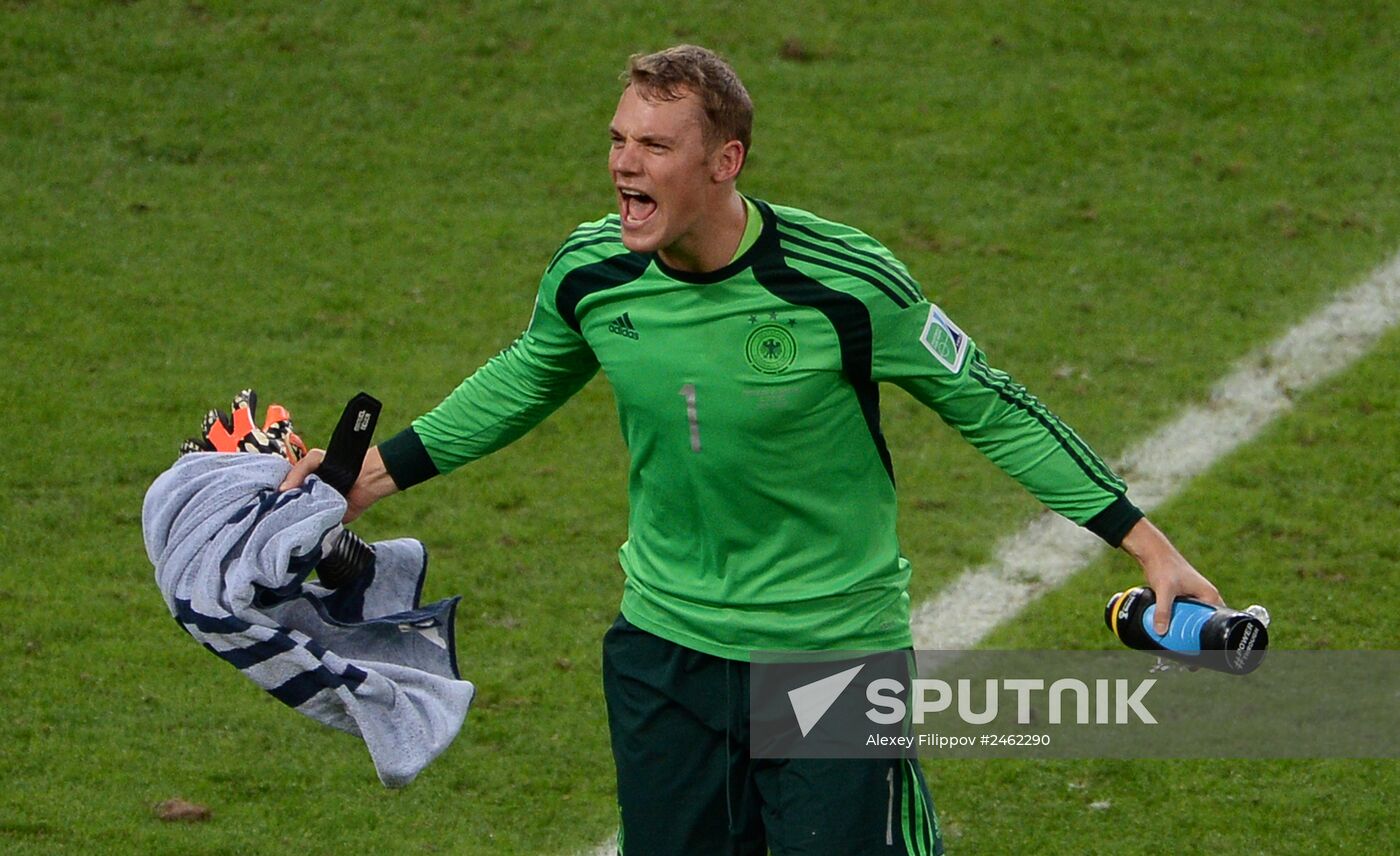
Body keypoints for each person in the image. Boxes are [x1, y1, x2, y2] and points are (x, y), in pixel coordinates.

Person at [282, 44, 1221, 855]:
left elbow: (996, 407)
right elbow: (529, 374)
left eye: (654, 145)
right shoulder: (593, 271)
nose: (623, 165)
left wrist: (1148, 545)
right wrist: (367, 478)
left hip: (829, 654)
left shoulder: (844, 283)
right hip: (663, 651)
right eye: (618, 139)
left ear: (724, 160)